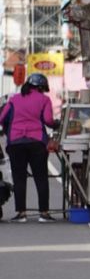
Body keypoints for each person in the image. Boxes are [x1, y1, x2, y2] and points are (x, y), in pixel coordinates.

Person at [0, 73, 58, 223]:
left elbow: (1, 118)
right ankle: (44, 213)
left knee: (19, 178)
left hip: (16, 143)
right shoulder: (44, 100)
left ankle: (21, 213)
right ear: (40, 87)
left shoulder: (14, 100)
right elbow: (48, 120)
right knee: (41, 177)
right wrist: (56, 124)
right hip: (37, 142)